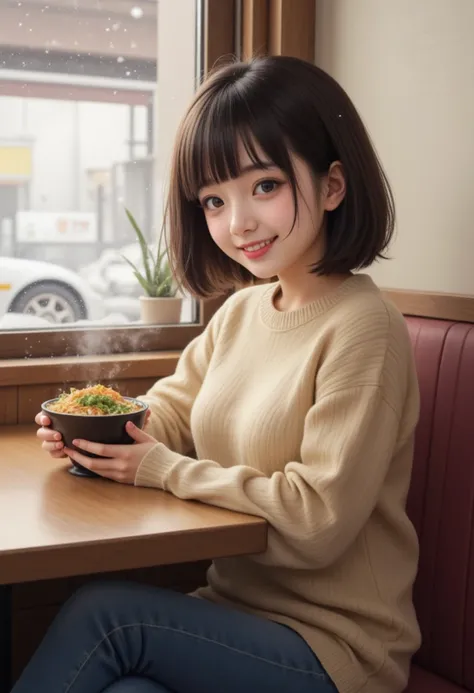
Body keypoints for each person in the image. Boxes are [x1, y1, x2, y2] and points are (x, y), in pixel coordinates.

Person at [16, 56, 420, 693]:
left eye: (264, 186)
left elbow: (317, 522)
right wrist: (101, 430)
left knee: (108, 617)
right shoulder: (242, 312)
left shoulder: (365, 327)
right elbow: (172, 415)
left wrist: (158, 468)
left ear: (333, 185)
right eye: (214, 199)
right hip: (232, 617)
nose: (239, 223)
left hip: (336, 649)